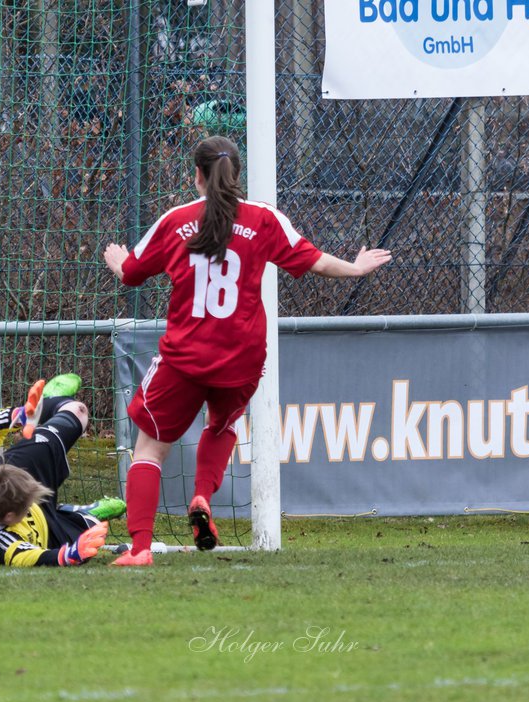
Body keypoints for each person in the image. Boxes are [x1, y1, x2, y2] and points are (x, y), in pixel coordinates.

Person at [102, 135, 391, 565]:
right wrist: (356, 267)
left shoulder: (176, 221)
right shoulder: (263, 220)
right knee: (222, 425)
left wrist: (116, 258)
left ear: (196, 176)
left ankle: (141, 548)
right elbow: (313, 261)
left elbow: (131, 274)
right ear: (237, 175)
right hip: (241, 357)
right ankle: (202, 495)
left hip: (186, 357)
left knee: (149, 449)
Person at [0, 373, 125, 567]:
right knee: (91, 537)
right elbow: (29, 557)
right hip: (46, 531)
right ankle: (84, 514)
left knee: (78, 411)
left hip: (17, 468)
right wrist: (69, 555)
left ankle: (52, 400)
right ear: (10, 518)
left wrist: (22, 415)